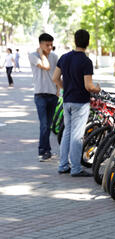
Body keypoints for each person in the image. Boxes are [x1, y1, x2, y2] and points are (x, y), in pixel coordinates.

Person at [52, 29, 101, 177]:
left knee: (67, 132)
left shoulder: (64, 57)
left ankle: (63, 165)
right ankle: (76, 168)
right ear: (88, 42)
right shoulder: (86, 61)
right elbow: (88, 86)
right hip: (80, 102)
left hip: (67, 100)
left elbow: (55, 78)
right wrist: (97, 89)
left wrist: (66, 88)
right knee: (77, 136)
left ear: (75, 41)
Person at [28, 33, 60, 162]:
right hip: (40, 94)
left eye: (51, 44)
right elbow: (46, 66)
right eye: (47, 45)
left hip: (53, 95)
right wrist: (41, 53)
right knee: (44, 124)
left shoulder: (55, 57)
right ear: (40, 44)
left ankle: (48, 151)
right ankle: (43, 151)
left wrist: (58, 91)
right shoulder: (33, 56)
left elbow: (58, 75)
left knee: (49, 125)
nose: (50, 47)